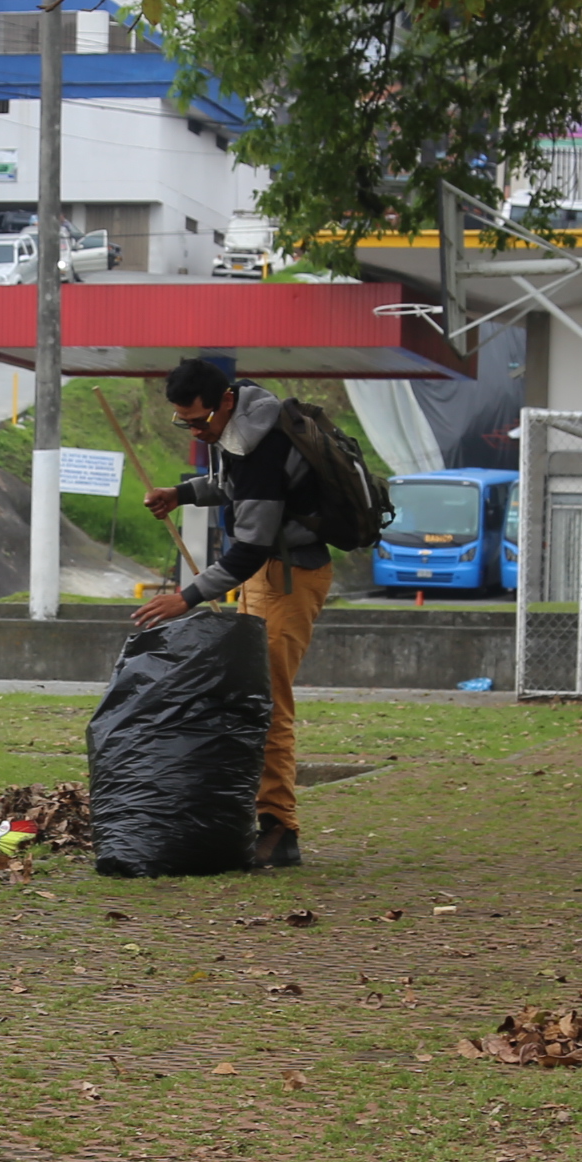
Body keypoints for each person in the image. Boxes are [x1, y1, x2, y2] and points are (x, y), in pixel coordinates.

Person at [134, 356, 329, 869]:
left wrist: (186, 598)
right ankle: (246, 816)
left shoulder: (266, 445)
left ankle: (280, 829)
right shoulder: (238, 421)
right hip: (264, 573)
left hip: (287, 577)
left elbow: (249, 548)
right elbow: (229, 483)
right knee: (246, 697)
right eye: (184, 423)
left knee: (268, 705)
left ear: (224, 401)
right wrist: (180, 494)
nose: (197, 432)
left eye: (199, 421)